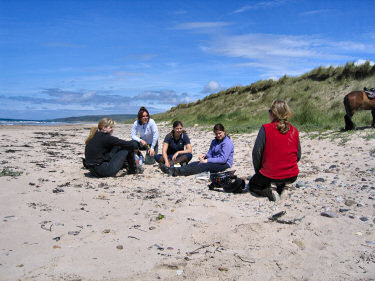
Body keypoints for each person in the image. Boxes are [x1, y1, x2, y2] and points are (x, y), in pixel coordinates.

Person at [249, 99, 301, 201]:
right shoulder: (294, 130)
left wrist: (259, 171)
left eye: (270, 111)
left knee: (253, 185)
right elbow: (298, 155)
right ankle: (284, 187)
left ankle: (270, 190)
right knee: (280, 178)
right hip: (292, 175)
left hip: (269, 174)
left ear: (272, 113)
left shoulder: (265, 128)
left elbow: (256, 153)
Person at [160, 123, 234, 176]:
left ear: (224, 131)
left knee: (204, 166)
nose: (218, 135)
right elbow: (210, 154)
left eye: (220, 133)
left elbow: (223, 159)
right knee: (196, 163)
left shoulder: (227, 143)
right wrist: (204, 155)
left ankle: (176, 172)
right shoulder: (214, 141)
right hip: (214, 160)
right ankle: (173, 169)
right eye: (216, 134)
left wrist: (207, 160)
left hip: (224, 164)